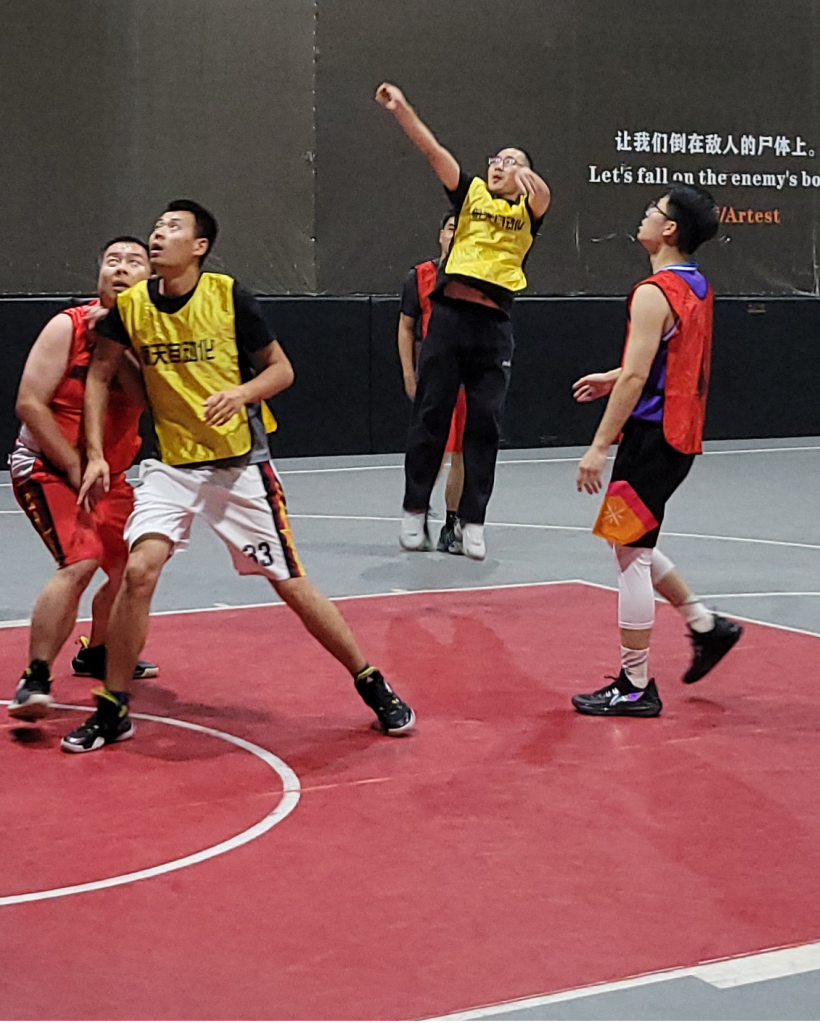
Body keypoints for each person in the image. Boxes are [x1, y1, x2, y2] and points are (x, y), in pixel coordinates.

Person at [59, 200, 415, 752]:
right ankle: (113, 707)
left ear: (199, 246)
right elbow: (101, 374)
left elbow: (282, 370)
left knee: (289, 582)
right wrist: (96, 454)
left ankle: (371, 681)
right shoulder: (131, 307)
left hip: (238, 466)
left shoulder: (229, 297)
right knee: (139, 571)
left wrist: (242, 393)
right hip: (172, 467)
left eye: (173, 228)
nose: (159, 235)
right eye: (157, 227)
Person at [571, 186, 741, 717]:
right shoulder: (696, 285)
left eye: (653, 210)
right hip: (679, 436)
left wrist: (598, 446)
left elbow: (639, 376)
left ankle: (635, 684)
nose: (644, 215)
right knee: (628, 544)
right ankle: (705, 626)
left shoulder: (652, 292)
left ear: (669, 229)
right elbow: (666, 357)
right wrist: (614, 375)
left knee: (630, 556)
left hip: (651, 438)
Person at [376, 83, 550, 562]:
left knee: (484, 424)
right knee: (430, 417)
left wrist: (528, 176)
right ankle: (414, 510)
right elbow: (433, 149)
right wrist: (402, 110)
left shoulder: (528, 211)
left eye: (510, 161)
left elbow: (544, 196)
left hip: (493, 327)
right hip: (450, 319)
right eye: (495, 159)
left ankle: (473, 520)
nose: (498, 165)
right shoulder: (470, 193)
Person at [8, 236, 160, 720]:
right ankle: (34, 676)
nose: (121, 269)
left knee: (132, 569)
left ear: (150, 278)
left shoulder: (153, 339)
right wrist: (76, 469)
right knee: (82, 559)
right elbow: (30, 404)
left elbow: (150, 402)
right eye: (112, 261)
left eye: (133, 262)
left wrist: (118, 345)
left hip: (109, 475)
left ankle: (97, 652)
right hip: (47, 467)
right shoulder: (67, 326)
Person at [397, 211, 466, 553]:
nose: (454, 234)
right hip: (434, 376)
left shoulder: (477, 280)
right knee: (430, 448)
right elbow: (406, 327)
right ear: (441, 234)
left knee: (463, 452)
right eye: (451, 228)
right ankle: (418, 510)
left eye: (461, 230)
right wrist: (410, 374)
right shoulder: (420, 276)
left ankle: (453, 524)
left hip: (468, 377)